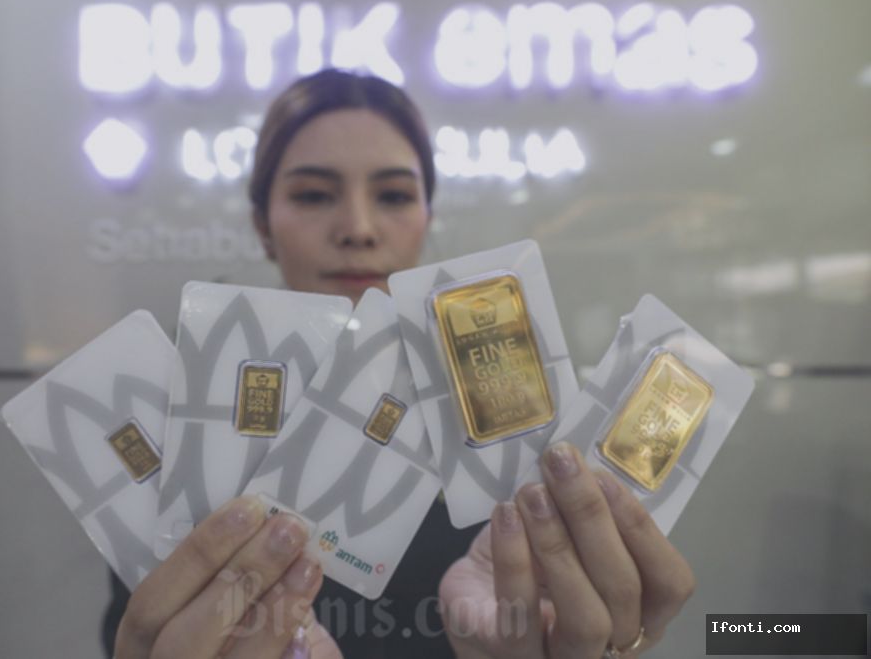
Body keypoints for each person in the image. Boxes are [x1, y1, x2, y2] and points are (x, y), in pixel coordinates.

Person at [105, 69, 695, 659]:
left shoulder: (506, 427)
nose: (358, 230)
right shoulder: (189, 439)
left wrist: (609, 644)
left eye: (393, 195)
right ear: (263, 226)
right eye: (313, 195)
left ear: (426, 217)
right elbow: (131, 626)